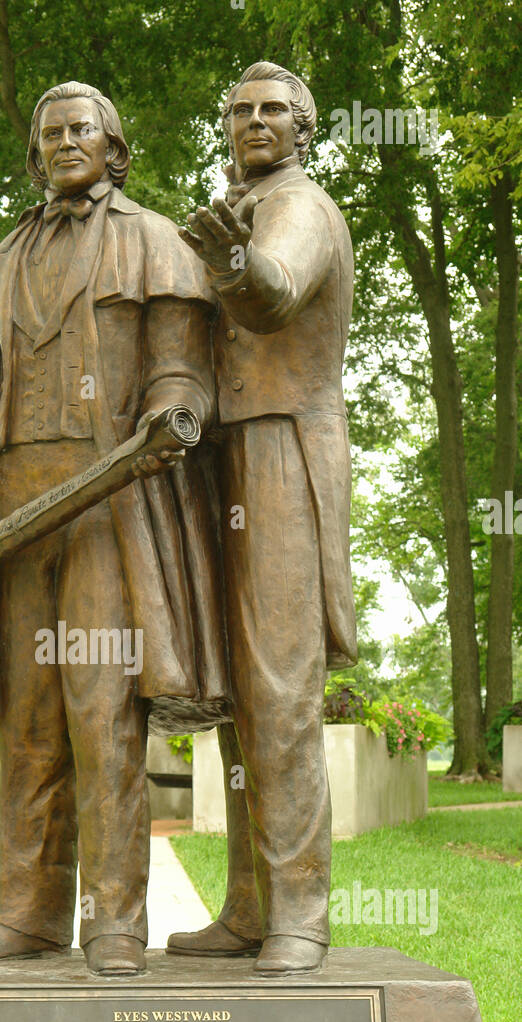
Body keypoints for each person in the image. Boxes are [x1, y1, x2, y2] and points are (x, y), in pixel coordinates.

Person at [0, 81, 228, 976]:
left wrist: (171, 415)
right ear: (36, 154)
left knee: (103, 715)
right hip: (10, 519)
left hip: (106, 510)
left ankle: (114, 922)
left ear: (114, 149)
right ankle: (28, 914)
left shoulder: (155, 242)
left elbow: (183, 372)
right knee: (29, 724)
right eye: (50, 134)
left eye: (81, 129)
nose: (64, 142)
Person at [169, 61, 357, 975]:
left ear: (302, 129)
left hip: (282, 446)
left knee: (281, 690)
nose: (255, 121)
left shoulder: (300, 207)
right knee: (237, 696)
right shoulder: (233, 211)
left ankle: (299, 915)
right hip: (220, 455)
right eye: (240, 109)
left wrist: (234, 264)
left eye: (274, 110)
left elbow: (275, 293)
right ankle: (250, 908)